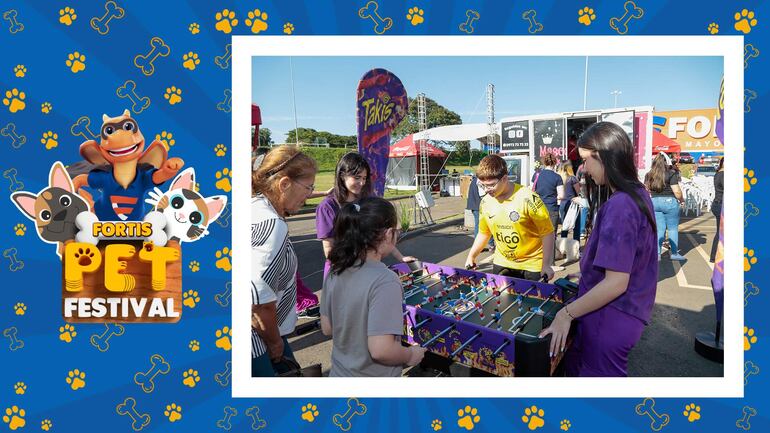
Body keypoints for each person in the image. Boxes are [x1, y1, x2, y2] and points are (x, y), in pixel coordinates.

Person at [539, 122, 658, 377]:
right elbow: (631, 260)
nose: (583, 169)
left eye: (585, 160)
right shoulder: (638, 193)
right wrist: (588, 274)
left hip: (609, 317)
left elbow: (616, 283)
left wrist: (566, 314)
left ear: (603, 156)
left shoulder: (620, 205)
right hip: (625, 314)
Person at [320, 197, 427, 376]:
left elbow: (327, 328)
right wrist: (411, 355)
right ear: (388, 234)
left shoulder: (335, 270)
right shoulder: (385, 280)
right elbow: (381, 350)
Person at [251, 145, 318, 376]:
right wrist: (274, 342)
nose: (310, 194)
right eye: (308, 187)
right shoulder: (272, 225)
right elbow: (259, 302)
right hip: (258, 341)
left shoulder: (255, 207)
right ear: (284, 184)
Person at [316, 152, 415, 279]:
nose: (362, 183)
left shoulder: (367, 201)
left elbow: (382, 236)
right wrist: (352, 271)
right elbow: (329, 248)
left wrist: (401, 257)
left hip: (367, 267)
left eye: (364, 178)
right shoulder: (327, 206)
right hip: (341, 271)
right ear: (342, 176)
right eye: (357, 177)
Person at [465, 154, 555, 281]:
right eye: (482, 185)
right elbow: (484, 233)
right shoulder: (485, 202)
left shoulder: (528, 198)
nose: (486, 190)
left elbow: (547, 233)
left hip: (532, 264)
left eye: (491, 185)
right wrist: (471, 256)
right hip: (503, 262)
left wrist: (546, 264)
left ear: (504, 178)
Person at [645, 153, 686, 260]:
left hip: (654, 202)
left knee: (659, 229)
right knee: (672, 228)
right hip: (669, 202)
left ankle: (657, 254)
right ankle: (674, 254)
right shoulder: (671, 173)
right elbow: (677, 191)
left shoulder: (649, 174)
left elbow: (646, 190)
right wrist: (681, 200)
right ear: (666, 162)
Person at [532, 153, 563, 267]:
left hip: (538, 209)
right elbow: (561, 195)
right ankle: (550, 263)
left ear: (544, 162)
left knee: (538, 235)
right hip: (552, 209)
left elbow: (533, 192)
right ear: (554, 163)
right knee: (551, 235)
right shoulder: (557, 177)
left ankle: (537, 260)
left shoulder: (537, 175)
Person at [466, 175, 494, 252]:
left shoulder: (474, 180)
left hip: (474, 205)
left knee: (478, 226)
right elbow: (482, 194)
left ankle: (478, 246)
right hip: (480, 206)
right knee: (485, 225)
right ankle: (490, 245)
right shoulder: (480, 181)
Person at [557, 162, 581, 241]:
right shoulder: (572, 178)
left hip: (562, 205)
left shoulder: (560, 179)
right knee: (576, 226)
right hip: (572, 205)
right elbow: (579, 192)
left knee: (565, 227)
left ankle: (563, 246)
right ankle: (576, 247)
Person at [710, 157, 724, 262]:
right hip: (720, 205)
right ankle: (715, 256)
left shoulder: (718, 173)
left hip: (717, 204)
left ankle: (714, 256)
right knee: (721, 232)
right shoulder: (723, 175)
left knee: (720, 231)